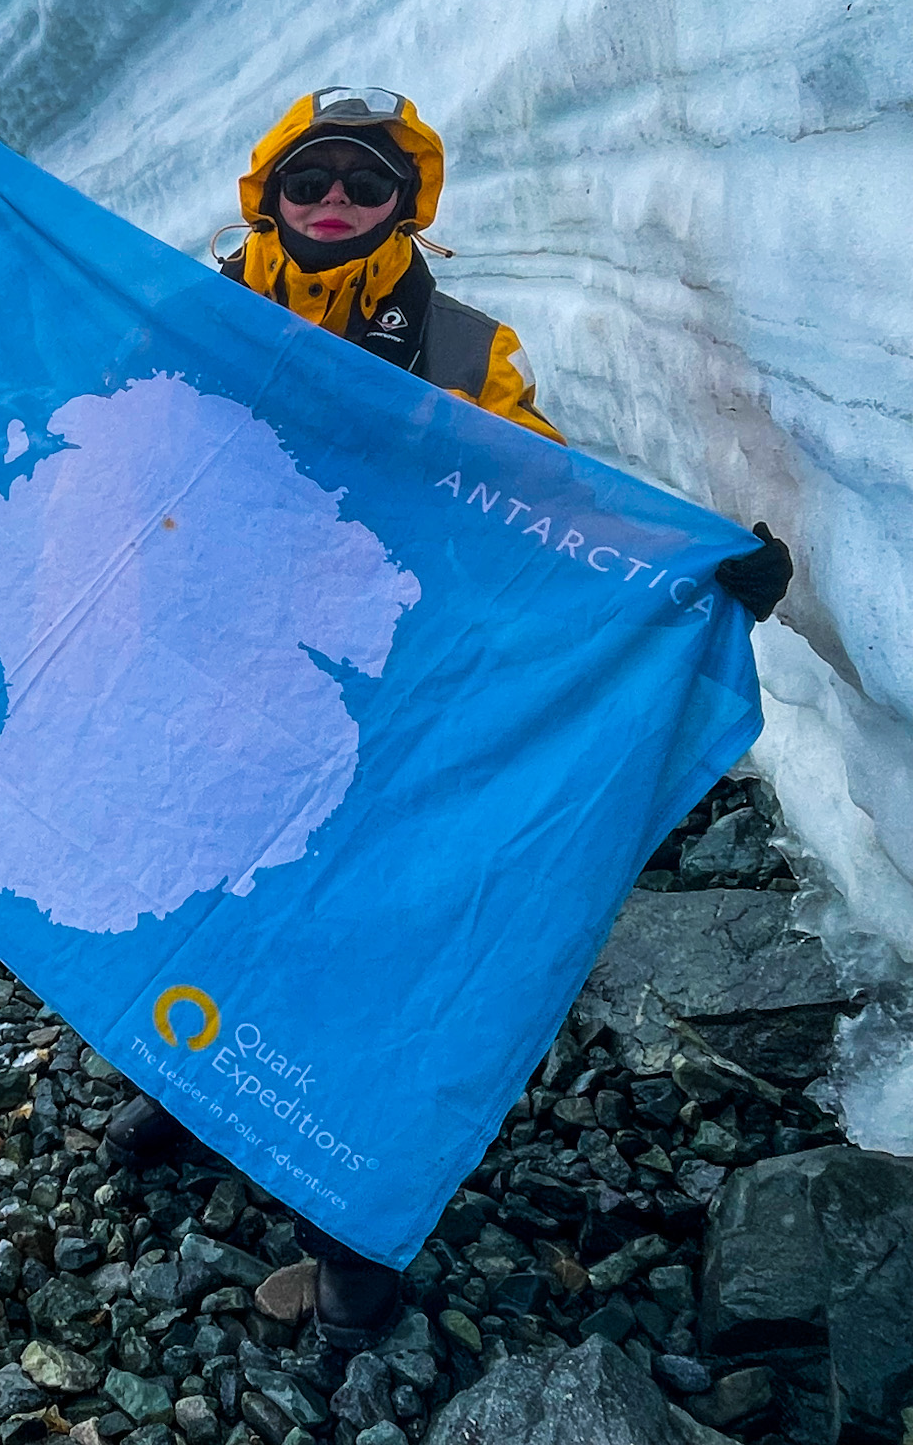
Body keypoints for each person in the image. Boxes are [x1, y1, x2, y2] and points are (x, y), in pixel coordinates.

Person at [105, 87, 794, 1350]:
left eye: (363, 185)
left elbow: (549, 497)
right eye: (309, 178)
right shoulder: (190, 314)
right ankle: (192, 1096)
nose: (332, 204)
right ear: (267, 192)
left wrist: (686, 565)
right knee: (201, 899)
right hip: (209, 679)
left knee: (356, 947)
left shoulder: (469, 353)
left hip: (375, 697)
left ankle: (346, 1232)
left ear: (401, 202)